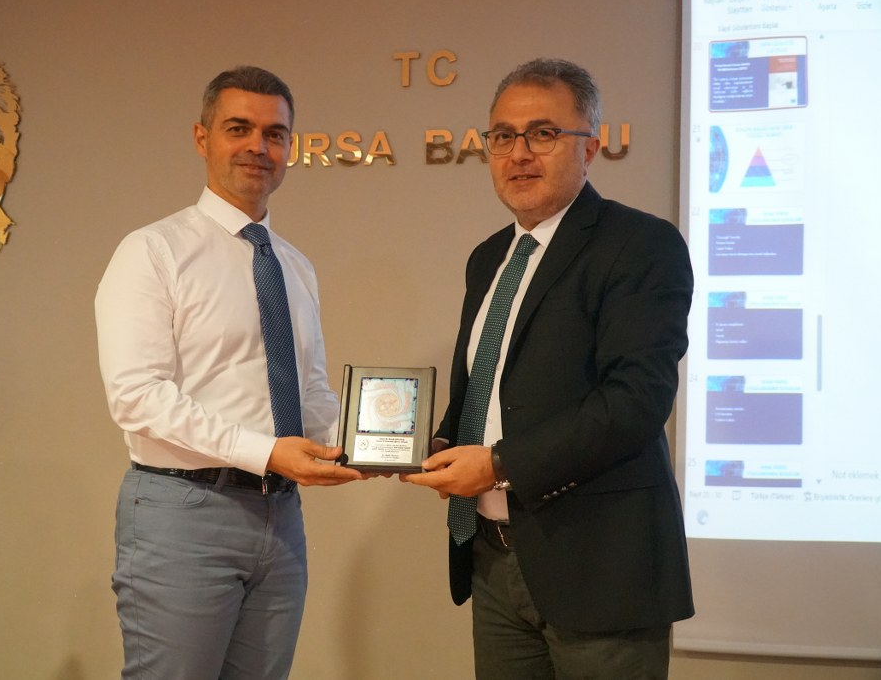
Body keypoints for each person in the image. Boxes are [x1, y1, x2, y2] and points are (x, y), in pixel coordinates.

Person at [405, 58, 695, 679]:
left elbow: (636, 401)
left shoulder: (640, 245)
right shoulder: (489, 257)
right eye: (503, 136)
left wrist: (498, 463)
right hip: (493, 560)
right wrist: (438, 443)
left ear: (589, 146)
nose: (519, 154)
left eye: (542, 134)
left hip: (600, 566)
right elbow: (489, 386)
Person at [95, 65, 362, 679]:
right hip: (183, 512)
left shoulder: (294, 265)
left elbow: (310, 392)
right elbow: (137, 396)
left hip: (281, 518)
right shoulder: (153, 251)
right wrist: (266, 452)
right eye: (238, 128)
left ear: (290, 147)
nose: (258, 147)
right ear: (202, 137)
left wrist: (383, 444)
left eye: (275, 134)